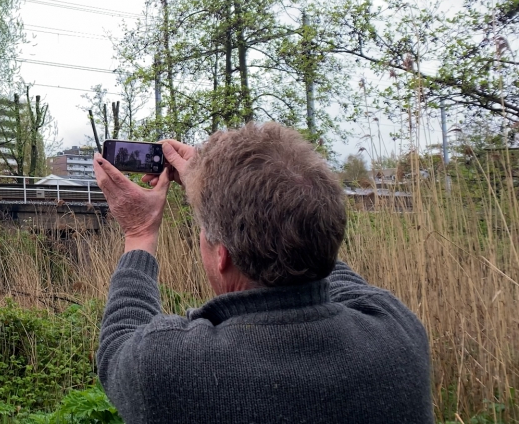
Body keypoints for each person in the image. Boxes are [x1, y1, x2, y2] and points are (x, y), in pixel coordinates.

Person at [93, 123, 433, 424]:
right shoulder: (398, 332)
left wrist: (140, 231)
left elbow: (119, 343)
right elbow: (318, 255)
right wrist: (214, 188)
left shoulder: (172, 369)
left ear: (222, 256)